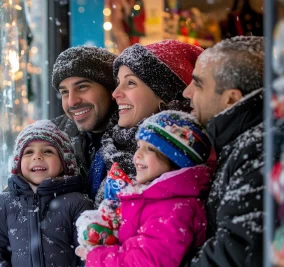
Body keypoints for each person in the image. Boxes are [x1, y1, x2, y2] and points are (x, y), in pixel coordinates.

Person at [76, 111, 212, 267]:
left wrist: (97, 257)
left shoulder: (175, 209)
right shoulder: (157, 198)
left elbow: (146, 261)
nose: (137, 155)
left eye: (149, 149)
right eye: (138, 146)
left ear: (175, 157)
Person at [182, 35, 264, 266]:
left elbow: (237, 254)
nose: (186, 93)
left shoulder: (262, 152)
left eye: (197, 84)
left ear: (231, 99)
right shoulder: (243, 141)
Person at [89, 40, 203, 206]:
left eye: (131, 83)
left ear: (165, 95)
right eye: (118, 83)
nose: (115, 93)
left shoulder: (187, 157)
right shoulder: (106, 151)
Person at [0, 120, 93, 267]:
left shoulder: (77, 203)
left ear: (64, 162)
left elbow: (88, 257)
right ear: (18, 163)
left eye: (48, 151)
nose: (37, 157)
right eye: (29, 152)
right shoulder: (2, 204)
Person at [51, 46, 118, 180]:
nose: (72, 102)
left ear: (112, 90)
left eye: (82, 87)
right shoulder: (50, 139)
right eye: (64, 92)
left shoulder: (139, 139)